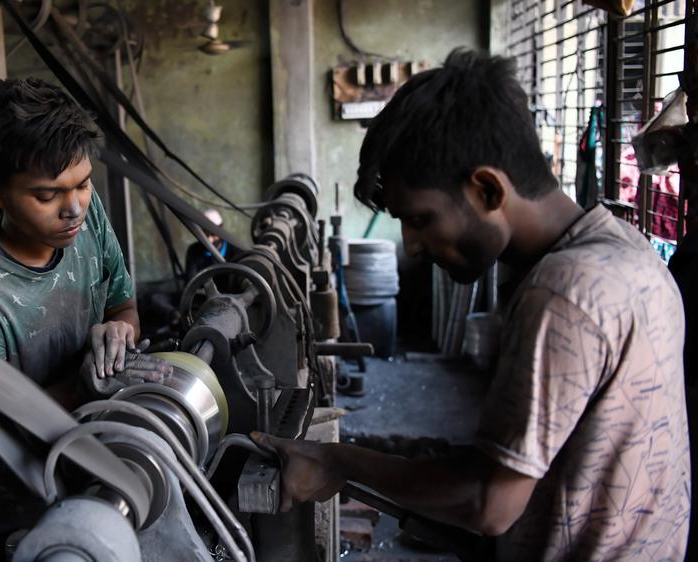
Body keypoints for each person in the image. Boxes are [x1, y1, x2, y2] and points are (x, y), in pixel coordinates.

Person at [253, 50, 691, 561]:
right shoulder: (625, 248)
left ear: (486, 188)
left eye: (419, 219)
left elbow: (491, 503)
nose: (412, 245)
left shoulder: (562, 294)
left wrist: (338, 463)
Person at [0, 77, 155, 545]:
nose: (73, 208)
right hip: (7, 500)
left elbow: (125, 305)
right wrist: (80, 385)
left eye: (83, 184)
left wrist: (120, 332)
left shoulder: (88, 215)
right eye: (47, 195)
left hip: (81, 454)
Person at [184, 208, 239, 280]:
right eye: (205, 235)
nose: (209, 239)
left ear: (221, 230)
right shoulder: (194, 251)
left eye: (213, 234)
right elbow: (191, 281)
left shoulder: (235, 251)